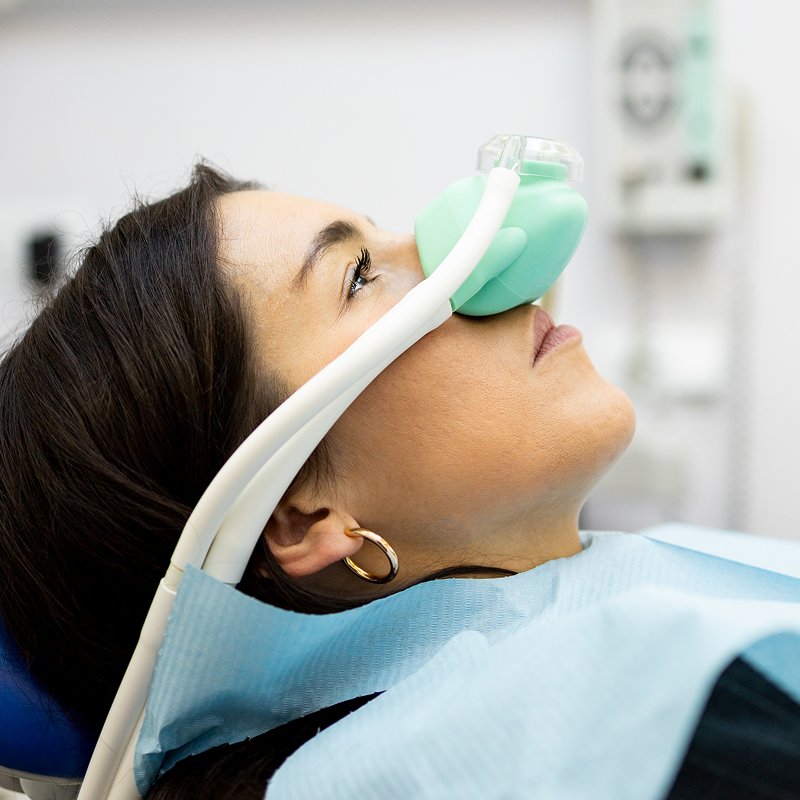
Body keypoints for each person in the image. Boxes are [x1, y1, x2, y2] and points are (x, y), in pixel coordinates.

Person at [1, 165, 799, 800]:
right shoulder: (593, 740)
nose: (477, 258)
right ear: (302, 516)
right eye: (358, 275)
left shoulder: (614, 618)